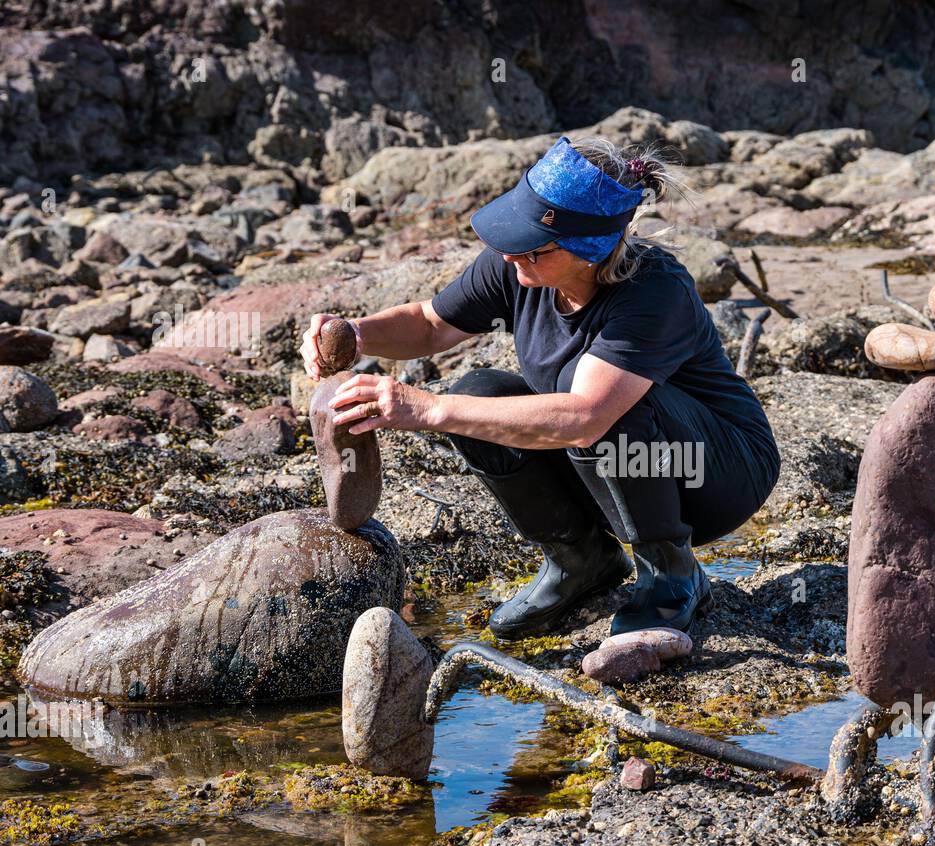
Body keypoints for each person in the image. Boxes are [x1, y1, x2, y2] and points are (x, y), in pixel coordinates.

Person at [300, 136, 779, 639]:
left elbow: (585, 415)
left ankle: (671, 574)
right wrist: (357, 333)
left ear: (587, 248)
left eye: (530, 245)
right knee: (479, 393)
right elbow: (428, 324)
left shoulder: (655, 291)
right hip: (608, 458)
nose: (509, 255)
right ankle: (580, 560)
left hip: (717, 473)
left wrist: (426, 408)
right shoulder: (519, 264)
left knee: (585, 402)